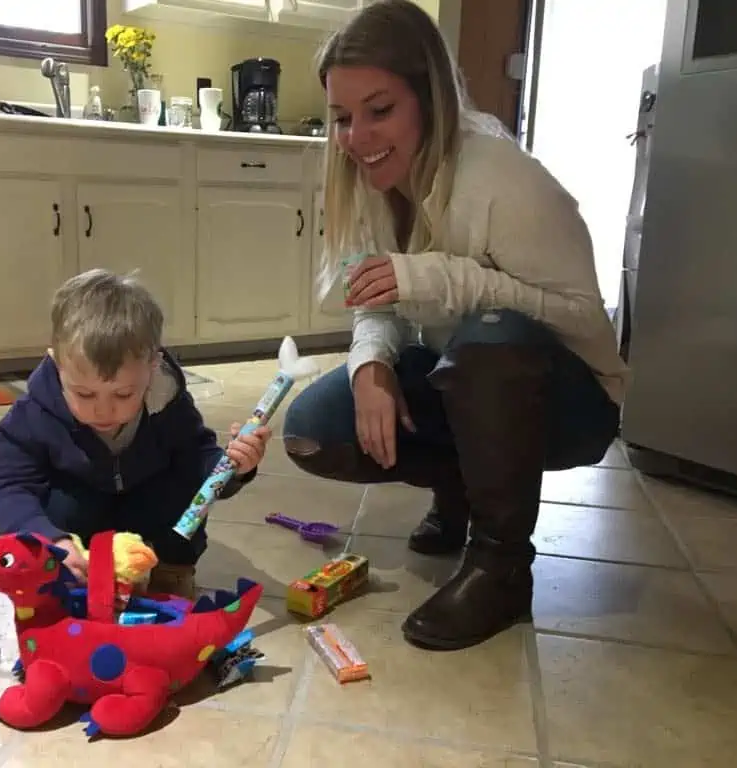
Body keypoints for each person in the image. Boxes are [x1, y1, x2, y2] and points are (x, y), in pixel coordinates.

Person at [282, 0, 630, 651]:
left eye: (379, 111)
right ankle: (460, 489)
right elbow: (377, 300)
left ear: (431, 100)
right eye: (342, 117)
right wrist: (372, 367)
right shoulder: (371, 180)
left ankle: (501, 568)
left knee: (489, 342)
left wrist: (441, 278)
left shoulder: (503, 181)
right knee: (314, 431)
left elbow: (585, 322)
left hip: (572, 403)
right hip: (466, 376)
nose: (356, 137)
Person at [0, 268, 272, 598]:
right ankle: (79, 575)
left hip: (150, 512)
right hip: (83, 527)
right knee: (59, 503)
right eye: (84, 394)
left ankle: (172, 569)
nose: (103, 411)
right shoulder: (32, 415)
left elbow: (198, 460)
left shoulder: (167, 402)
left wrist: (234, 466)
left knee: (182, 491)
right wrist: (50, 540)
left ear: (153, 366)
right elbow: (9, 488)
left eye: (123, 395)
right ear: (56, 364)